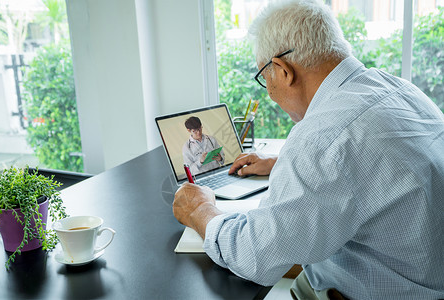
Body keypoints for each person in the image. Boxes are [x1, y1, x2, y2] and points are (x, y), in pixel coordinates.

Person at [173, 1, 444, 299]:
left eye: (265, 78)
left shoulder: (322, 139)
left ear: (282, 70)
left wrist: (199, 208)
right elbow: (376, 167)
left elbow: (253, 257)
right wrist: (279, 163)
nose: (270, 93)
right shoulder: (401, 90)